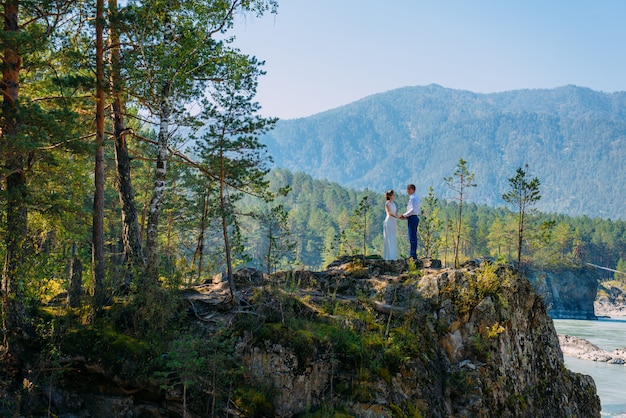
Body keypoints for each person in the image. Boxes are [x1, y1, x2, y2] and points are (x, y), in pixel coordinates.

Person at [400, 184, 420, 260]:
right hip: (414, 217)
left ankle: (413, 254)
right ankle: (413, 253)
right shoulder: (416, 198)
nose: (407, 191)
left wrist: (405, 215)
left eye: (408, 189)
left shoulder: (413, 198)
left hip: (412, 217)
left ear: (412, 189)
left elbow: (412, 210)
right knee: (413, 236)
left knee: (412, 236)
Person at [383, 190, 399, 260]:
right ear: (389, 196)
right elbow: (389, 213)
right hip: (389, 221)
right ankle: (388, 256)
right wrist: (397, 216)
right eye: (392, 194)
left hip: (393, 222)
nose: (394, 196)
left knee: (393, 238)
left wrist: (399, 216)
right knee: (389, 238)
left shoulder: (394, 204)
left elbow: (395, 213)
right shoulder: (387, 203)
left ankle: (393, 256)